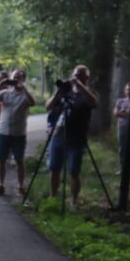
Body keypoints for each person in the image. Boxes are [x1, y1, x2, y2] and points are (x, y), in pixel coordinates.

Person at [46, 64, 98, 205]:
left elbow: (93, 102)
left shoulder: (89, 93)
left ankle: (74, 201)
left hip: (77, 138)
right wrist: (59, 91)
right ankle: (53, 197)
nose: (76, 78)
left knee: (74, 171)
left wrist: (81, 87)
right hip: (59, 135)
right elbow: (49, 106)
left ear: (86, 77)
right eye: (75, 75)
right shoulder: (66, 92)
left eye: (80, 75)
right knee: (54, 168)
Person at [0, 69, 36, 196]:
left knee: (19, 160)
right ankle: (0, 184)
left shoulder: (25, 95)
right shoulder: (5, 93)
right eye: (14, 77)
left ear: (23, 79)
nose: (16, 80)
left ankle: (21, 187)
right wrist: (0, 84)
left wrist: (23, 87)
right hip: (3, 131)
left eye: (19, 78)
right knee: (1, 159)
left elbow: (33, 102)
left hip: (19, 133)